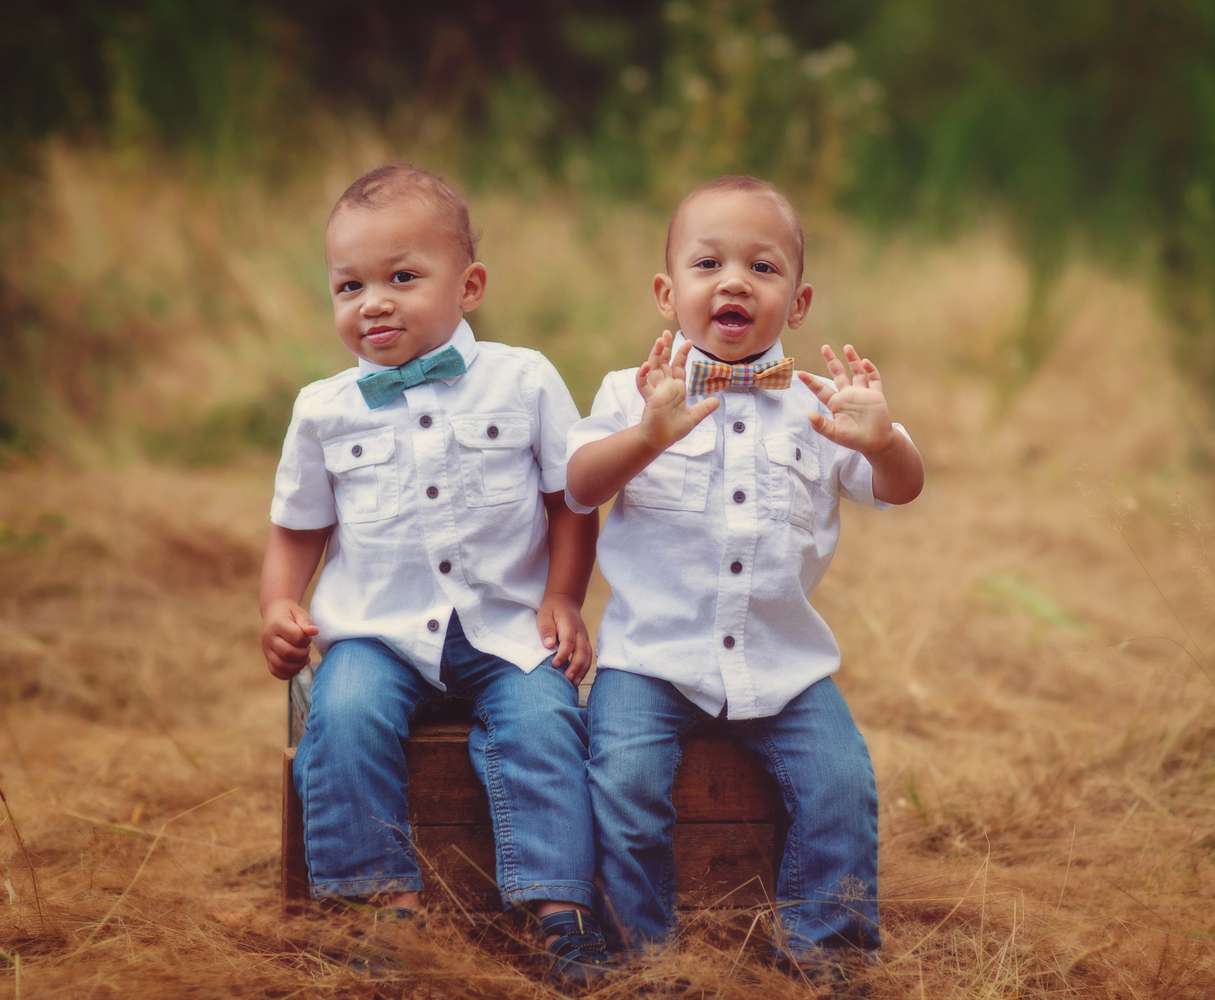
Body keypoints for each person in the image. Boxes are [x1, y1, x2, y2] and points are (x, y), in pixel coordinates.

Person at [258, 164, 608, 985]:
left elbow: (571, 502)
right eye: (350, 285)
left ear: (470, 285)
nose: (373, 302)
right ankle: (383, 907)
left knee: (543, 719)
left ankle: (560, 913)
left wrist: (562, 596)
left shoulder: (524, 379)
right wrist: (279, 602)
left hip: (504, 624)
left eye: (403, 278)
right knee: (340, 714)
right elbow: (295, 527)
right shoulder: (324, 408)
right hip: (377, 632)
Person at [566, 175, 924, 974]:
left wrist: (881, 441)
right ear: (668, 292)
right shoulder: (633, 392)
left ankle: (825, 958)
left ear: (797, 304)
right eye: (708, 264)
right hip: (650, 659)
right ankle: (644, 958)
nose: (734, 281)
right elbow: (581, 486)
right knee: (623, 783)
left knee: (840, 784)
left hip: (782, 663)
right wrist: (647, 437)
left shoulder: (824, 406)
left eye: (763, 268)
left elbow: (900, 488)